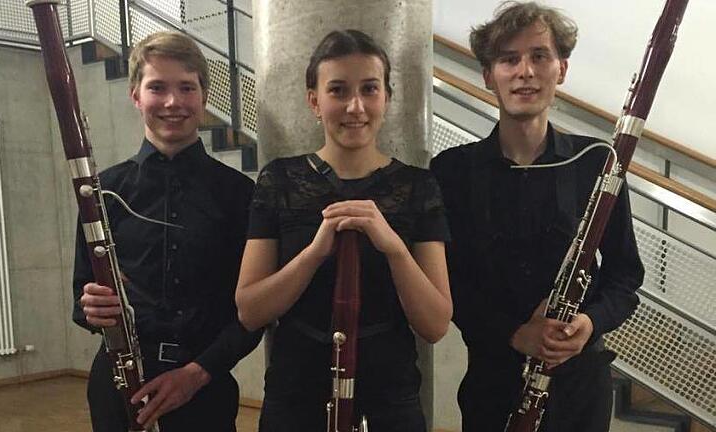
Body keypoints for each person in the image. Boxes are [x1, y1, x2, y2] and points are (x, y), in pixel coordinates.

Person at [430, 2, 645, 431]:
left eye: (539, 56)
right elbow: (447, 281)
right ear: (489, 76)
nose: (524, 71)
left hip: (580, 387)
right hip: (493, 382)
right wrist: (514, 333)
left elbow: (625, 279)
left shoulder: (598, 162)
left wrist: (589, 322)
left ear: (561, 70)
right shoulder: (452, 171)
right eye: (509, 59)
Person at [235, 29, 452, 432]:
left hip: (390, 396)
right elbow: (250, 311)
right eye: (338, 90)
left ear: (386, 97)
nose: (355, 106)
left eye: (369, 89)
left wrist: (395, 249)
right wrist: (314, 253)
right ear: (314, 101)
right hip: (295, 393)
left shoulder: (419, 187)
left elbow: (435, 325)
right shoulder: (279, 180)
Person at [72, 31, 261, 432]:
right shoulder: (102, 190)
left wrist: (198, 372)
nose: (173, 102)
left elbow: (253, 313)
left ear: (204, 96)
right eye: (157, 87)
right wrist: (90, 307)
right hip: (119, 385)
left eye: (186, 87)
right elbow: (82, 295)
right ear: (136, 95)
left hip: (204, 388)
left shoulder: (240, 194)